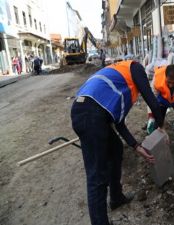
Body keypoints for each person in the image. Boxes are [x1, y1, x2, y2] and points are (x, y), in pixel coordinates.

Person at [70, 60, 165, 225]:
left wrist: (137, 147)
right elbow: (152, 100)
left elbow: (119, 123)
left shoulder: (119, 79)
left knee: (116, 149)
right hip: (91, 116)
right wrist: (162, 127)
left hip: (89, 112)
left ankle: (116, 197)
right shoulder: (135, 68)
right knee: (96, 177)